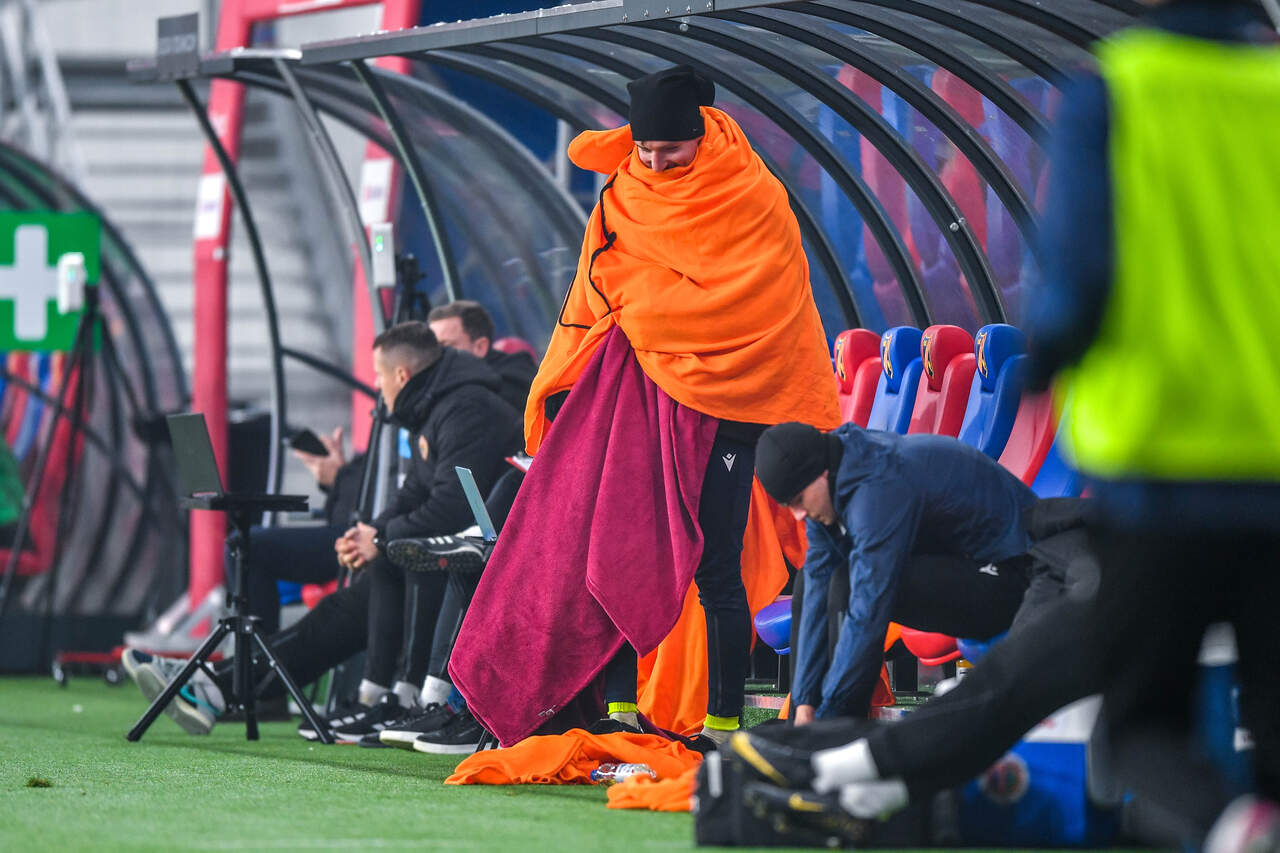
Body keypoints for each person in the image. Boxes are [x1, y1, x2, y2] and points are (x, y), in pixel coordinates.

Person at [448, 64, 841, 748]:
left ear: (701, 136)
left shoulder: (753, 193)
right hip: (642, 404)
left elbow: (764, 298)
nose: (656, 164)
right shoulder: (621, 190)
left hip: (731, 408)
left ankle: (722, 725)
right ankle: (621, 715)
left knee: (716, 564)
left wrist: (649, 310)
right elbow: (594, 291)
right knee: (621, 549)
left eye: (671, 152)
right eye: (647, 151)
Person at [1021, 1, 1280, 849]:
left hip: (1159, 473)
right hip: (1273, 468)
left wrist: (1041, 362)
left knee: (1142, 721)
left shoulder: (1115, 90)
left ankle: (1232, 825)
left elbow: (1079, 277)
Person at [749, 422, 1075, 727]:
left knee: (849, 586)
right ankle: (813, 729)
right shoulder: (835, 474)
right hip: (966, 564)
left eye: (799, 500)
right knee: (810, 581)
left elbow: (869, 609)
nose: (798, 514)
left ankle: (836, 732)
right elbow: (816, 585)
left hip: (1019, 578)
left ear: (821, 473)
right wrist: (804, 703)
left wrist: (830, 713)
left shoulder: (878, 485)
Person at [427, 300, 536, 415]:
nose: (434, 355)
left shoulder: (502, 390)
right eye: (431, 347)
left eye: (445, 346)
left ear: (480, 347)